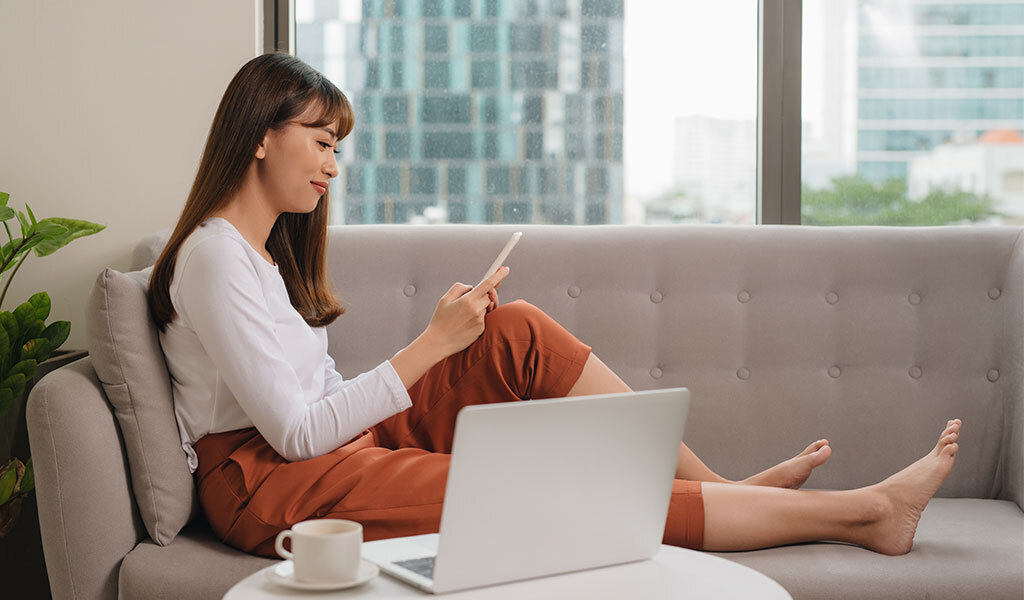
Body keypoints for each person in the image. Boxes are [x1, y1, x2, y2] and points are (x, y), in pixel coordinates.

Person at [147, 53, 961, 559]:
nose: (332, 164)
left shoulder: (253, 257)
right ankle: (864, 516)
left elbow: (314, 404)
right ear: (261, 134)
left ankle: (729, 486)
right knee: (529, 482)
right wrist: (429, 346)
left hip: (322, 452)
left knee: (513, 331)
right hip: (268, 485)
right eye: (320, 140)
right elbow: (289, 434)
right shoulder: (213, 258)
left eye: (337, 147)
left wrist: (455, 340)